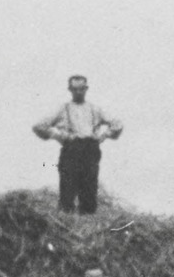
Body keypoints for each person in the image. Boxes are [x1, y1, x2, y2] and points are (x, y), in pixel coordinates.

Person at [33, 75, 123, 215]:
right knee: (67, 190)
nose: (78, 92)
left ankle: (88, 221)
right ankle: (66, 220)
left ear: (86, 89)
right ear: (70, 89)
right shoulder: (63, 109)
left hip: (90, 150)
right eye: (75, 89)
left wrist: (103, 136)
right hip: (71, 150)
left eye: (81, 89)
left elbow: (117, 124)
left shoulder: (95, 109)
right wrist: (59, 136)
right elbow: (40, 126)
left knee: (89, 189)